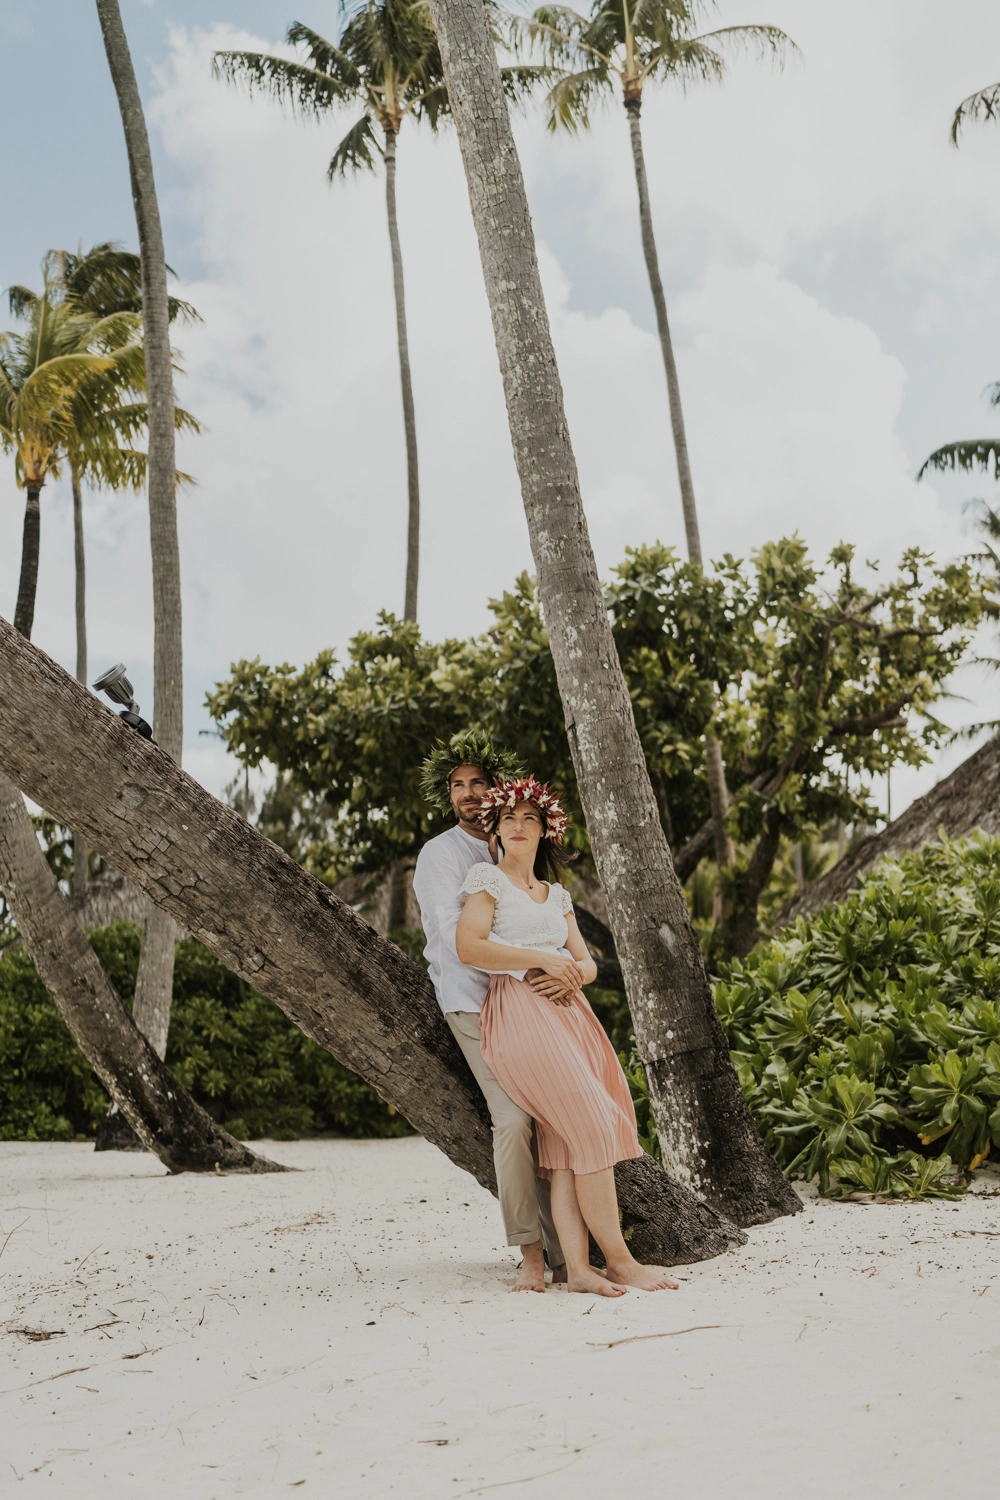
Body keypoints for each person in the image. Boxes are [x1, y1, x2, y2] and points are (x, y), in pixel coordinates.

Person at [455, 776, 679, 1298]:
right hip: (520, 1015)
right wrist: (540, 959)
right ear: (495, 829)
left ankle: (577, 1270)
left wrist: (571, 973)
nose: (517, 826)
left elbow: (589, 962)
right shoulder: (487, 880)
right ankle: (621, 1262)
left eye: (528, 819)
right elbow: (471, 947)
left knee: (565, 1148)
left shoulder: (555, 895)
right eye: (508, 818)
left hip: (570, 1016)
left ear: (544, 831)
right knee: (596, 1126)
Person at [412, 733, 565, 1292]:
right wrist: (531, 965)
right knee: (514, 1121)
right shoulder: (442, 854)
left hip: (528, 1005)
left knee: (557, 1117)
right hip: (473, 1000)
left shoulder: (513, 846)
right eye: (458, 785)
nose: (470, 794)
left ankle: (570, 1248)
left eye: (479, 782)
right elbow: (454, 938)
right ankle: (531, 1252)